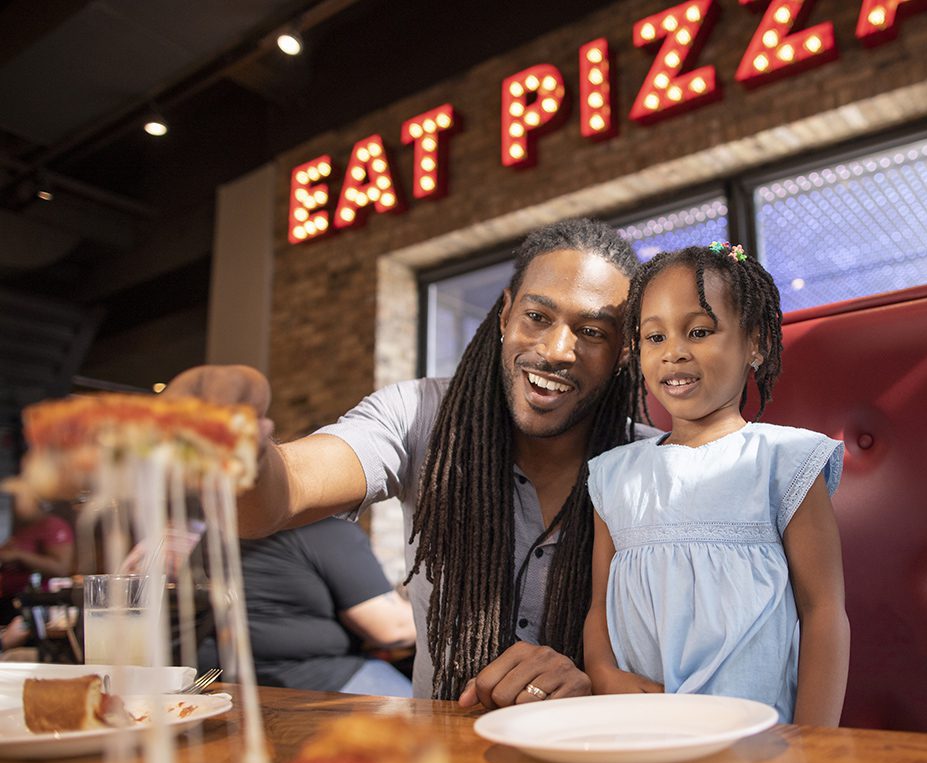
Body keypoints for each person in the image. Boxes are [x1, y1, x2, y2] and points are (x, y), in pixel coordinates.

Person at [166, 218, 654, 706]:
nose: (555, 350)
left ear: (625, 352)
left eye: (591, 331)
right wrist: (243, 449)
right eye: (537, 317)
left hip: (595, 754)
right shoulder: (417, 415)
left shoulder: (656, 467)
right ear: (505, 315)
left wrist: (599, 683)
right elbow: (277, 499)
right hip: (439, 758)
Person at [582, 242, 850, 725]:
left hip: (759, 737)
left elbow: (824, 610)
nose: (674, 353)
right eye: (654, 337)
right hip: (643, 729)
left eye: (699, 331)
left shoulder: (784, 460)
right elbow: (599, 604)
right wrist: (602, 672)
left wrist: (816, 741)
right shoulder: (614, 474)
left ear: (756, 343)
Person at [197, 516, 415, 695]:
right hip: (306, 678)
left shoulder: (229, 523)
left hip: (221, 675)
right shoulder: (322, 523)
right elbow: (390, 629)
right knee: (432, 729)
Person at [0, 476, 75, 626]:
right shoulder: (20, 527)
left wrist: (19, 556)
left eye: (18, 499)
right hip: (9, 602)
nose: (13, 503)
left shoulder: (52, 526)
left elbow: (61, 568)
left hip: (35, 606)